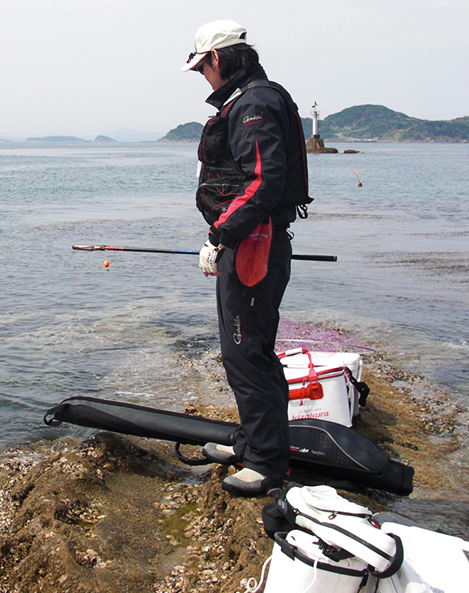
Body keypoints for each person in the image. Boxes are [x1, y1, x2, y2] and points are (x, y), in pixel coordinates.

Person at [182, 20, 312, 497]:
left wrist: (219, 236)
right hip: (251, 241)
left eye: (201, 68)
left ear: (216, 59)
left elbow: (263, 181)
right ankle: (252, 440)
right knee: (247, 353)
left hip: (254, 246)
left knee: (246, 355)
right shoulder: (253, 97)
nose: (203, 77)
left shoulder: (254, 103)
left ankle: (266, 463)